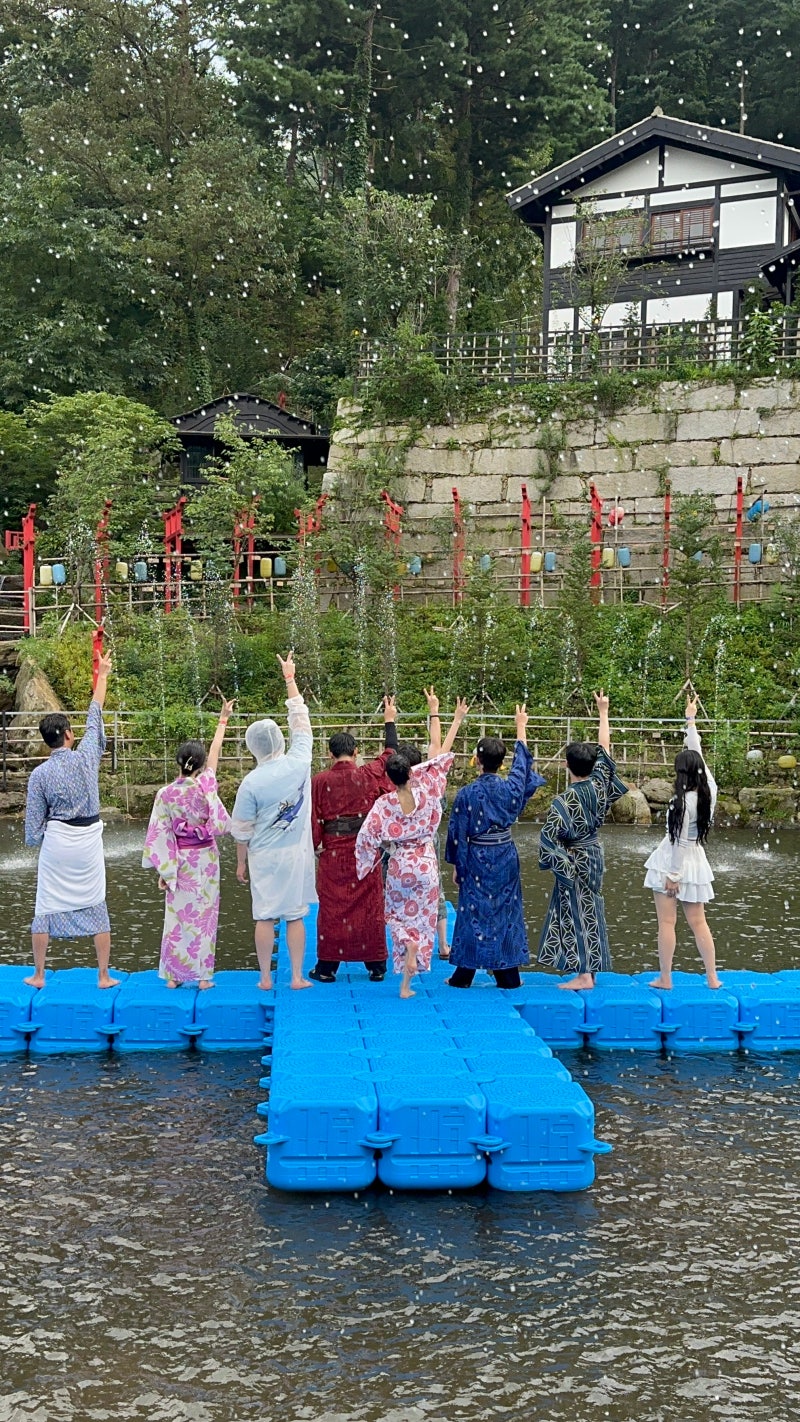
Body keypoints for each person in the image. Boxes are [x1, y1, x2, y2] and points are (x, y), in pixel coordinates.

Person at [355, 694, 469, 999]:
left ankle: (406, 963)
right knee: (422, 917)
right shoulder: (430, 792)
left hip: (400, 863)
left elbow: (366, 837)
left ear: (390, 778)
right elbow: (440, 755)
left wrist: (365, 864)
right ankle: (417, 958)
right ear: (412, 772)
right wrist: (452, 717)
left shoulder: (384, 803)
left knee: (397, 918)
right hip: (426, 863)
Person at [24, 649, 118, 989]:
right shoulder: (86, 758)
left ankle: (38, 974)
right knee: (96, 901)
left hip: (58, 843)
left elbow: (33, 829)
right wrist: (102, 674)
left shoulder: (39, 775)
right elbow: (95, 714)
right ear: (66, 734)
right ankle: (104, 975)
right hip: (88, 839)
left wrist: (44, 835)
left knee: (45, 904)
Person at [445, 703, 546, 989]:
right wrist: (521, 726)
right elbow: (523, 767)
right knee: (506, 910)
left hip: (476, 854)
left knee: (472, 909)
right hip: (504, 853)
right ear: (501, 762)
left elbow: (457, 834)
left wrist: (457, 866)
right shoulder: (510, 789)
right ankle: (508, 974)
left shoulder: (467, 794)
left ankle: (464, 973)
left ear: (477, 760)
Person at [231, 652, 315, 991]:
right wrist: (290, 679)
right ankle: (296, 977)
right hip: (295, 852)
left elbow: (240, 830)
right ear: (280, 740)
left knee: (264, 915)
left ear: (253, 747)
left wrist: (240, 863)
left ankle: (265, 977)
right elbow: (302, 722)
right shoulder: (299, 761)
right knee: (295, 914)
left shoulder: (251, 782)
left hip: (263, 856)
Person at [537, 690, 628, 990]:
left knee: (576, 907)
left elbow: (549, 840)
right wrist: (604, 712)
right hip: (594, 852)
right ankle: (592, 970)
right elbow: (605, 750)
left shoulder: (563, 801)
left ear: (567, 766)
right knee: (591, 905)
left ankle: (584, 974)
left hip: (575, 857)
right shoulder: (599, 785)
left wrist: (559, 862)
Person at [142, 698, 234, 988]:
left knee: (177, 916)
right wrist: (223, 718)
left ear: (179, 763)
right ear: (202, 764)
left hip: (179, 860)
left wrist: (164, 870)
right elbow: (216, 752)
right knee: (206, 916)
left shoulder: (165, 794)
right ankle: (204, 977)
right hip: (204, 859)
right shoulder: (206, 785)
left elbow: (160, 834)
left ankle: (173, 976)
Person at [309, 697, 399, 983]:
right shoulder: (367, 775)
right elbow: (390, 753)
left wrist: (314, 846)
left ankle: (327, 966)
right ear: (356, 751)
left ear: (330, 753)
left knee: (333, 907)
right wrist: (389, 719)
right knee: (370, 905)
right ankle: (376, 965)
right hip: (365, 850)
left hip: (334, 850)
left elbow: (314, 819)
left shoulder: (319, 781)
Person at [643, 696, 722, 990]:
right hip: (697, 858)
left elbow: (676, 842)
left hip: (674, 861)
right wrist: (690, 721)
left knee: (667, 923)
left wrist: (674, 876)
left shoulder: (680, 802)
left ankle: (666, 977)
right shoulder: (709, 792)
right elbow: (696, 752)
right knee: (699, 922)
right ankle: (712, 977)